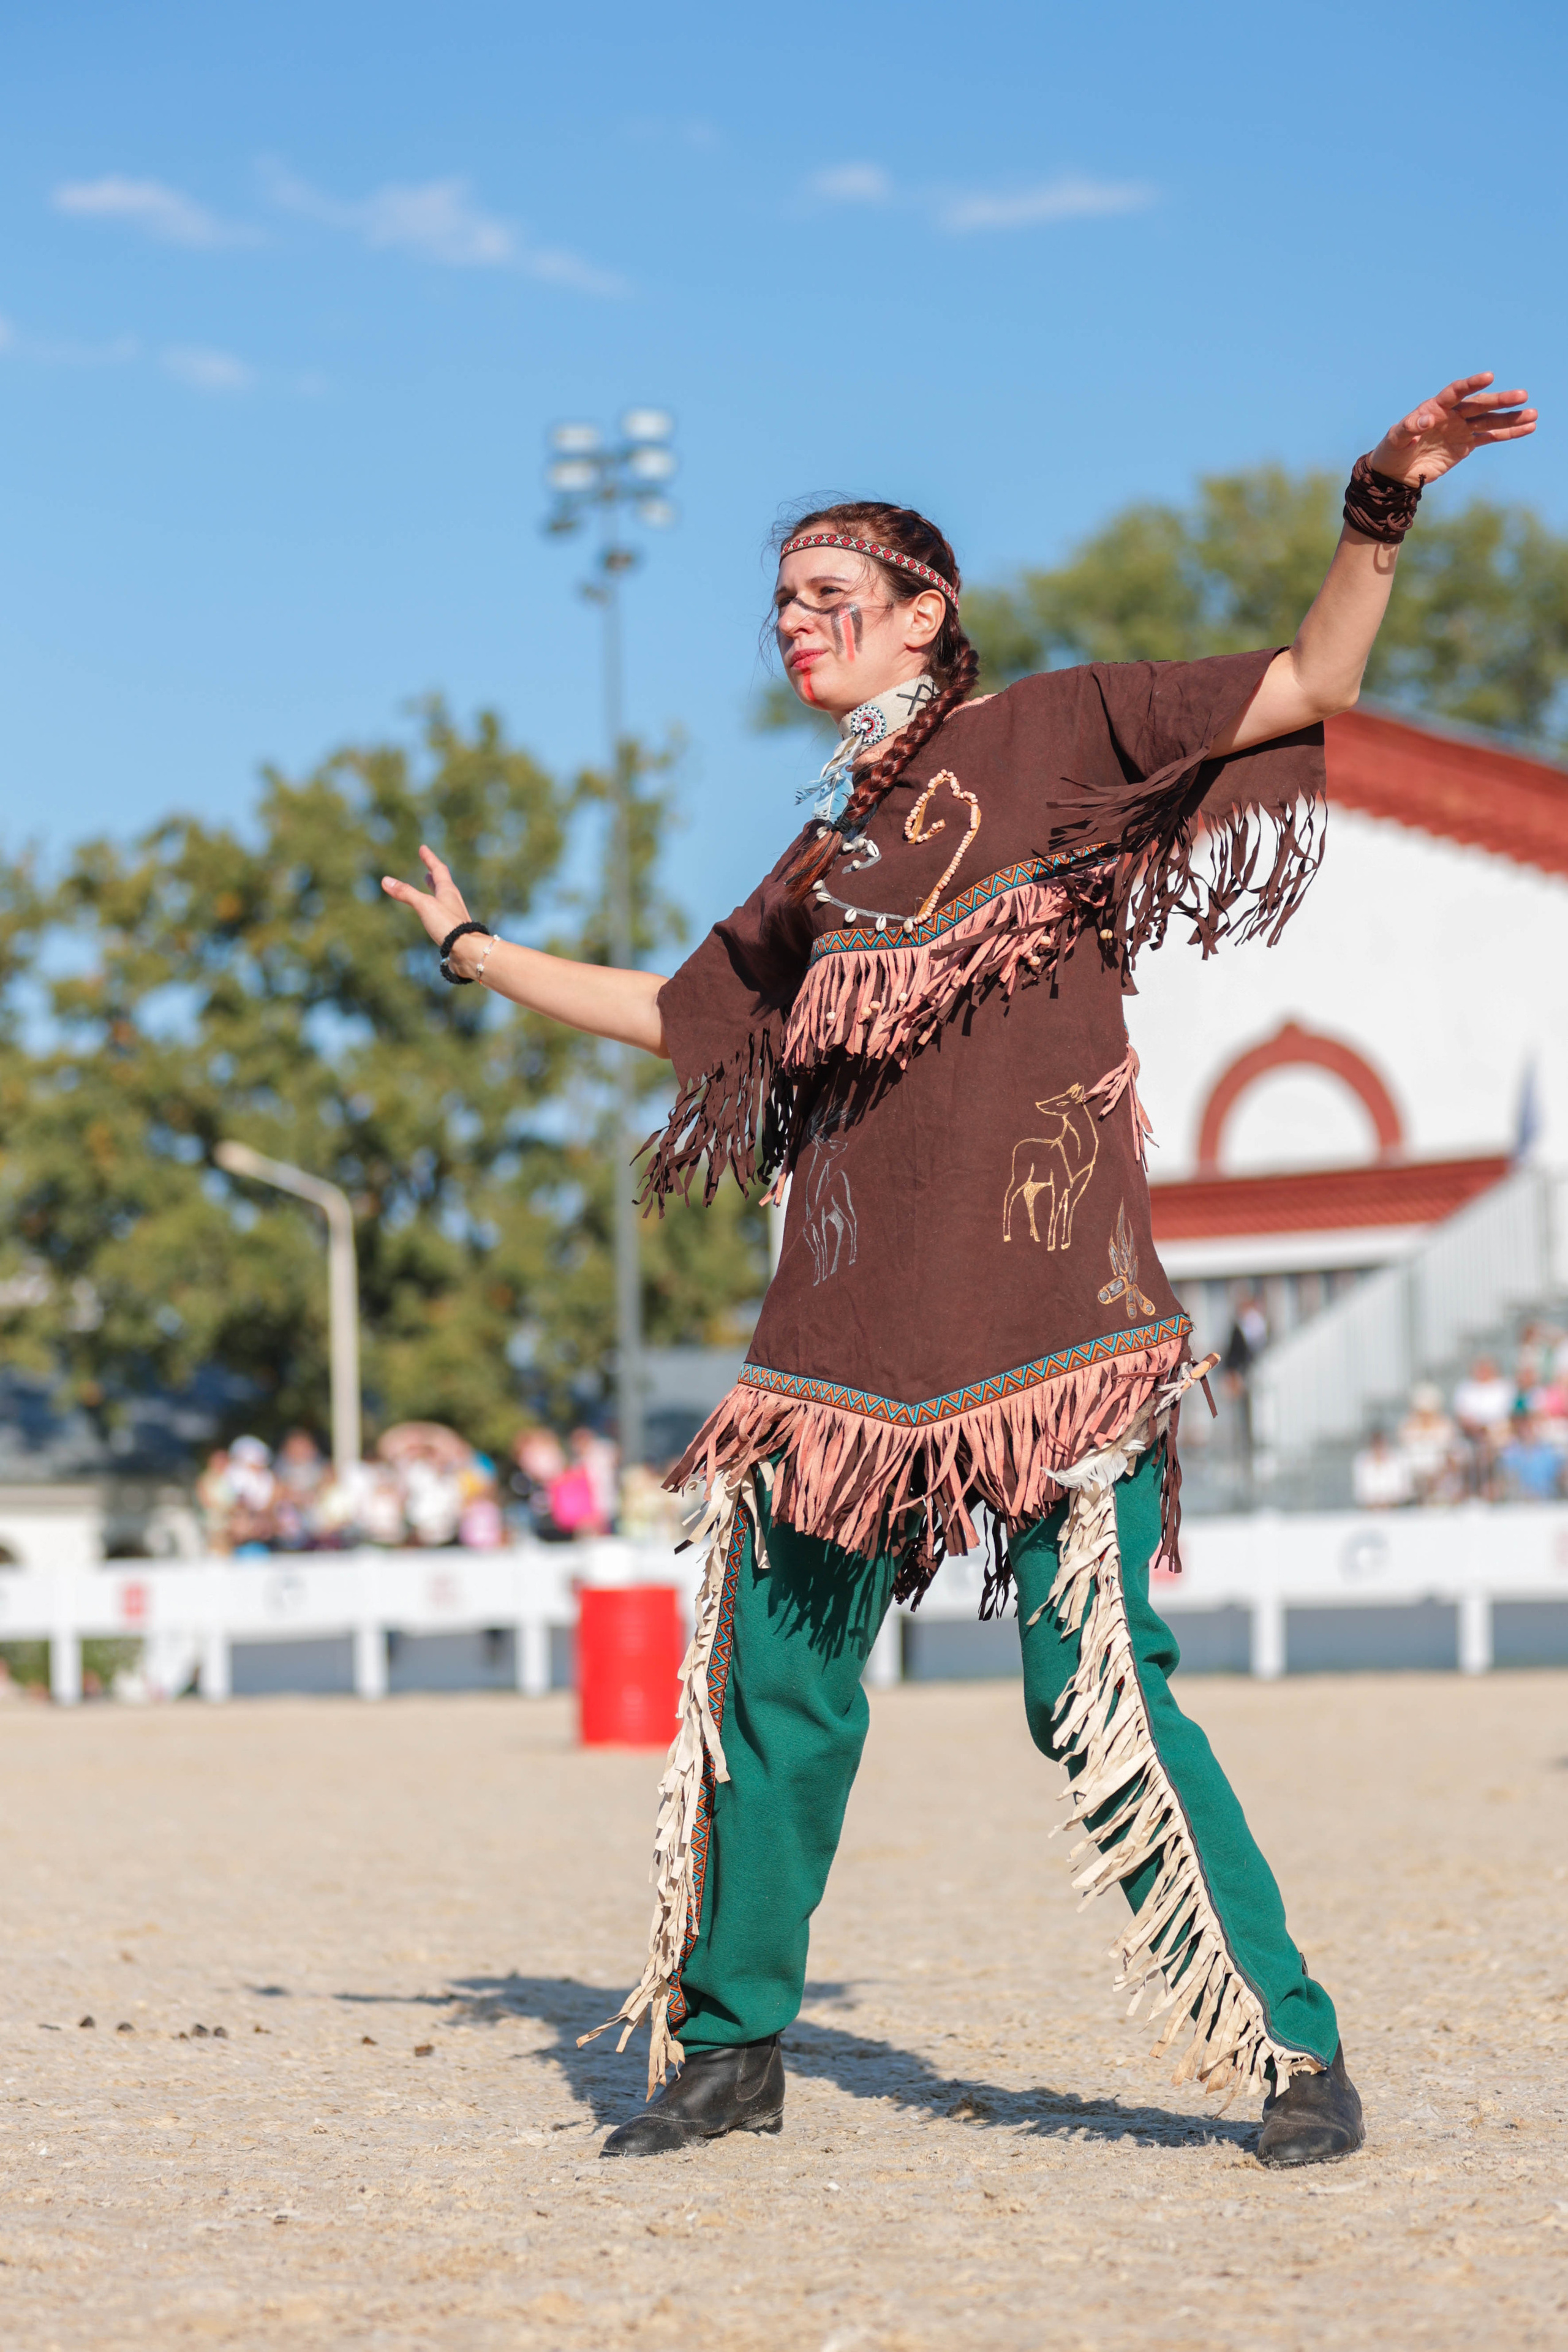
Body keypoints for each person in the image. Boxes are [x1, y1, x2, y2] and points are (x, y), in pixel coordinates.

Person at [382, 372, 1535, 2172]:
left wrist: (1378, 502)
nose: (794, 625)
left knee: (1100, 1693)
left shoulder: (1059, 734)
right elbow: (681, 1019)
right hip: (841, 1351)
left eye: (829, 594)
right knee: (775, 1687)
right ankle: (728, 2046)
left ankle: (1287, 2049)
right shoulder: (825, 858)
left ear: (927, 610)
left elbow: (1311, 683)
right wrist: (474, 949)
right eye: (778, 602)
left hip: (1054, 1325)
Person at [1351, 1427, 1415, 1511]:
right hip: (1369, 1511)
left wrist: (1388, 1502)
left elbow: (1404, 1490)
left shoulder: (1398, 1459)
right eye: (1376, 1444)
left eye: (1381, 1444)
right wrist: (1375, 1503)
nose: (1379, 1448)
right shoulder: (1362, 1461)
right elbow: (1360, 1492)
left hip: (1397, 1510)